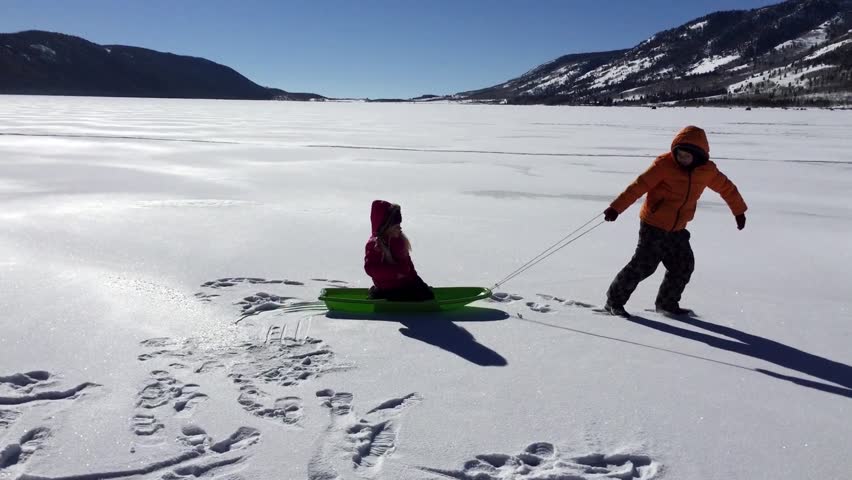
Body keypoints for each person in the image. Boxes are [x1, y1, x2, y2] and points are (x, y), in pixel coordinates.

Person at [602, 125, 747, 317]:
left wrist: (739, 211)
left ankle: (667, 304)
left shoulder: (707, 171)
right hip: (653, 224)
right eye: (679, 155)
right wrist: (616, 208)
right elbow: (639, 186)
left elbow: (727, 189)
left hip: (678, 228)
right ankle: (613, 302)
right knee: (644, 265)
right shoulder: (664, 165)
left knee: (683, 265)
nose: (682, 159)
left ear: (699, 155)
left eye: (687, 156)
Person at [364, 200, 434, 301]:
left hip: (404, 283)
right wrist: (395, 273)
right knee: (412, 298)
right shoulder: (375, 245)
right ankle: (378, 294)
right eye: (396, 226)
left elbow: (408, 264)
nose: (400, 228)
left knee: (426, 295)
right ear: (386, 228)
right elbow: (371, 268)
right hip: (389, 287)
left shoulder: (399, 241)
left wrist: (417, 282)